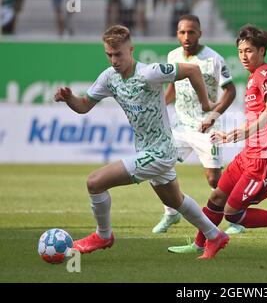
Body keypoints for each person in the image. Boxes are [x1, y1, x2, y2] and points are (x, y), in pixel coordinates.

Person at [53, 25, 229, 259]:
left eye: (118, 54)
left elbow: (193, 70)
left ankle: (103, 235)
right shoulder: (109, 78)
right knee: (175, 200)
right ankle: (215, 235)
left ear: (131, 50)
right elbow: (84, 105)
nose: (114, 60)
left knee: (95, 182)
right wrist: (69, 99)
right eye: (109, 54)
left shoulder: (150, 72)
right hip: (146, 149)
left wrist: (206, 104)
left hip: (160, 152)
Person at [167, 25, 267, 255]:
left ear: (262, 51)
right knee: (216, 197)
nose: (244, 56)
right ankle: (199, 243)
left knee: (233, 214)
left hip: (265, 158)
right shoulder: (254, 76)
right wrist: (235, 134)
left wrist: (239, 133)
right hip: (248, 154)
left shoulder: (266, 74)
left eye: (249, 50)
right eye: (241, 51)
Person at [152, 14, 245, 235]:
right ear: (177, 34)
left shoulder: (213, 59)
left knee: (214, 178)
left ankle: (236, 218)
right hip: (181, 127)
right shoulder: (173, 56)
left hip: (208, 128)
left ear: (200, 33)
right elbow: (173, 89)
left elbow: (230, 91)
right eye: (182, 32)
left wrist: (212, 116)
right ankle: (170, 213)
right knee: (157, 165)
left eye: (191, 32)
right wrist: (159, 107)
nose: (187, 36)